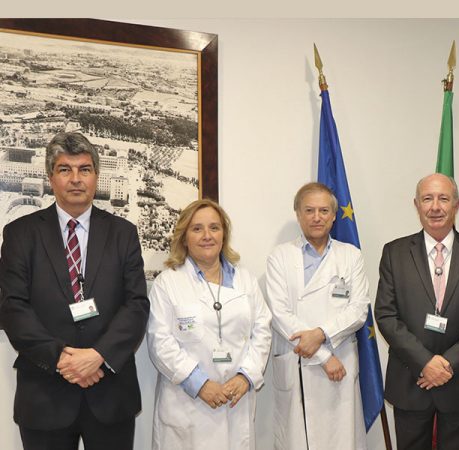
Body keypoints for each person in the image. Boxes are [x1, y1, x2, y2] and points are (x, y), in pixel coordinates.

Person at [0, 132, 149, 449]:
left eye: (85, 169)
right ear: (50, 177)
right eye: (65, 169)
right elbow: (13, 307)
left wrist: (98, 356)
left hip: (110, 391)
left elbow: (136, 304)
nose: (76, 179)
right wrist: (61, 359)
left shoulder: (123, 233)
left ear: (96, 175)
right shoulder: (20, 234)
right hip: (44, 392)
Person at [374, 173, 459, 450]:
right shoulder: (395, 253)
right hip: (411, 380)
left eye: (443, 198)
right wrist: (425, 363)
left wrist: (447, 364)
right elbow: (386, 315)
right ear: (416, 205)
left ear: (457, 205)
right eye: (427, 199)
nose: (435, 207)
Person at [146, 199, 272, 449]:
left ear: (224, 235)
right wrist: (200, 383)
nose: (207, 236)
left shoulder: (245, 281)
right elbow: (160, 343)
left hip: (235, 399)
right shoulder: (168, 283)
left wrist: (245, 376)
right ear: (184, 237)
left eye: (214, 228)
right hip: (187, 405)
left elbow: (262, 332)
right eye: (197, 229)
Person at [265, 182, 370, 450]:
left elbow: (358, 310)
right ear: (298, 214)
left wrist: (321, 334)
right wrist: (323, 356)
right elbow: (279, 313)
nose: (316, 217)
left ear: (334, 216)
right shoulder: (280, 256)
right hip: (300, 361)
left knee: (340, 439)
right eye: (309, 210)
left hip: (340, 361)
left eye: (324, 211)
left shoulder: (351, 256)